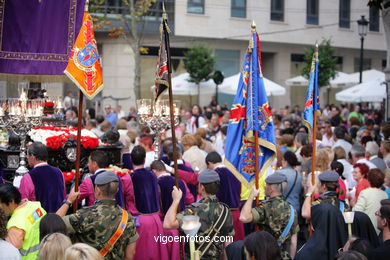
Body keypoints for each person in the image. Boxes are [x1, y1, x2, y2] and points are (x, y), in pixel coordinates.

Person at [57, 171, 138, 260]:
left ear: (98, 190)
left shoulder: (84, 215)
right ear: (117, 190)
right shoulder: (128, 218)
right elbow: (130, 255)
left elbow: (53, 224)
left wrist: (68, 201)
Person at [164, 169, 234, 259]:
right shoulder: (225, 211)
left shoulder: (194, 210)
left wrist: (176, 200)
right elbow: (227, 242)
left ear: (202, 187)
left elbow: (168, 224)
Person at [239, 173, 299, 259]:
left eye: (266, 185)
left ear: (271, 189)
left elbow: (243, 218)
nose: (264, 187)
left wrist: (252, 195)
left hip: (265, 255)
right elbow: (293, 242)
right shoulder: (292, 210)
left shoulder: (266, 207)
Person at [130, 146, 168, 260]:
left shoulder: (129, 177)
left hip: (139, 221)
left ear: (131, 160)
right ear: (145, 159)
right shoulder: (153, 175)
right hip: (155, 219)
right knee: (156, 253)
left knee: (142, 254)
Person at [0, 184, 46, 259]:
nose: (0, 209)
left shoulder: (15, 225)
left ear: (11, 202)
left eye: (1, 205)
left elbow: (10, 254)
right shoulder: (35, 206)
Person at [205, 151, 244, 241]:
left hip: (222, 216)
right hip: (236, 214)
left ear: (209, 163)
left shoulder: (214, 175)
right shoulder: (234, 172)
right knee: (237, 245)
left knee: (225, 247)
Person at [19, 142, 65, 213]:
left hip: (38, 220)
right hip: (58, 218)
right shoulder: (58, 172)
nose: (27, 158)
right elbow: (63, 195)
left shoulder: (28, 177)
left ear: (32, 156)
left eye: (27, 155)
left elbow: (22, 204)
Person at [353, 169, 388, 234]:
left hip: (367, 230)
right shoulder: (384, 194)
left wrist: (353, 205)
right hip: (380, 230)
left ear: (369, 180)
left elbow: (356, 212)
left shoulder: (365, 193)